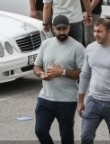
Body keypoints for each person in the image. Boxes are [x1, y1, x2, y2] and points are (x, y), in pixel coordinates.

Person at [34, 14, 86, 144]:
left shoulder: (78, 48)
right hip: (45, 98)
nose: (61, 32)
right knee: (40, 130)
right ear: (53, 28)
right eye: (58, 29)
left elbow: (83, 73)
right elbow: (37, 66)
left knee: (66, 137)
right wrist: (41, 74)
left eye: (64, 29)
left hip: (66, 100)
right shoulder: (46, 44)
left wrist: (62, 72)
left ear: (69, 28)